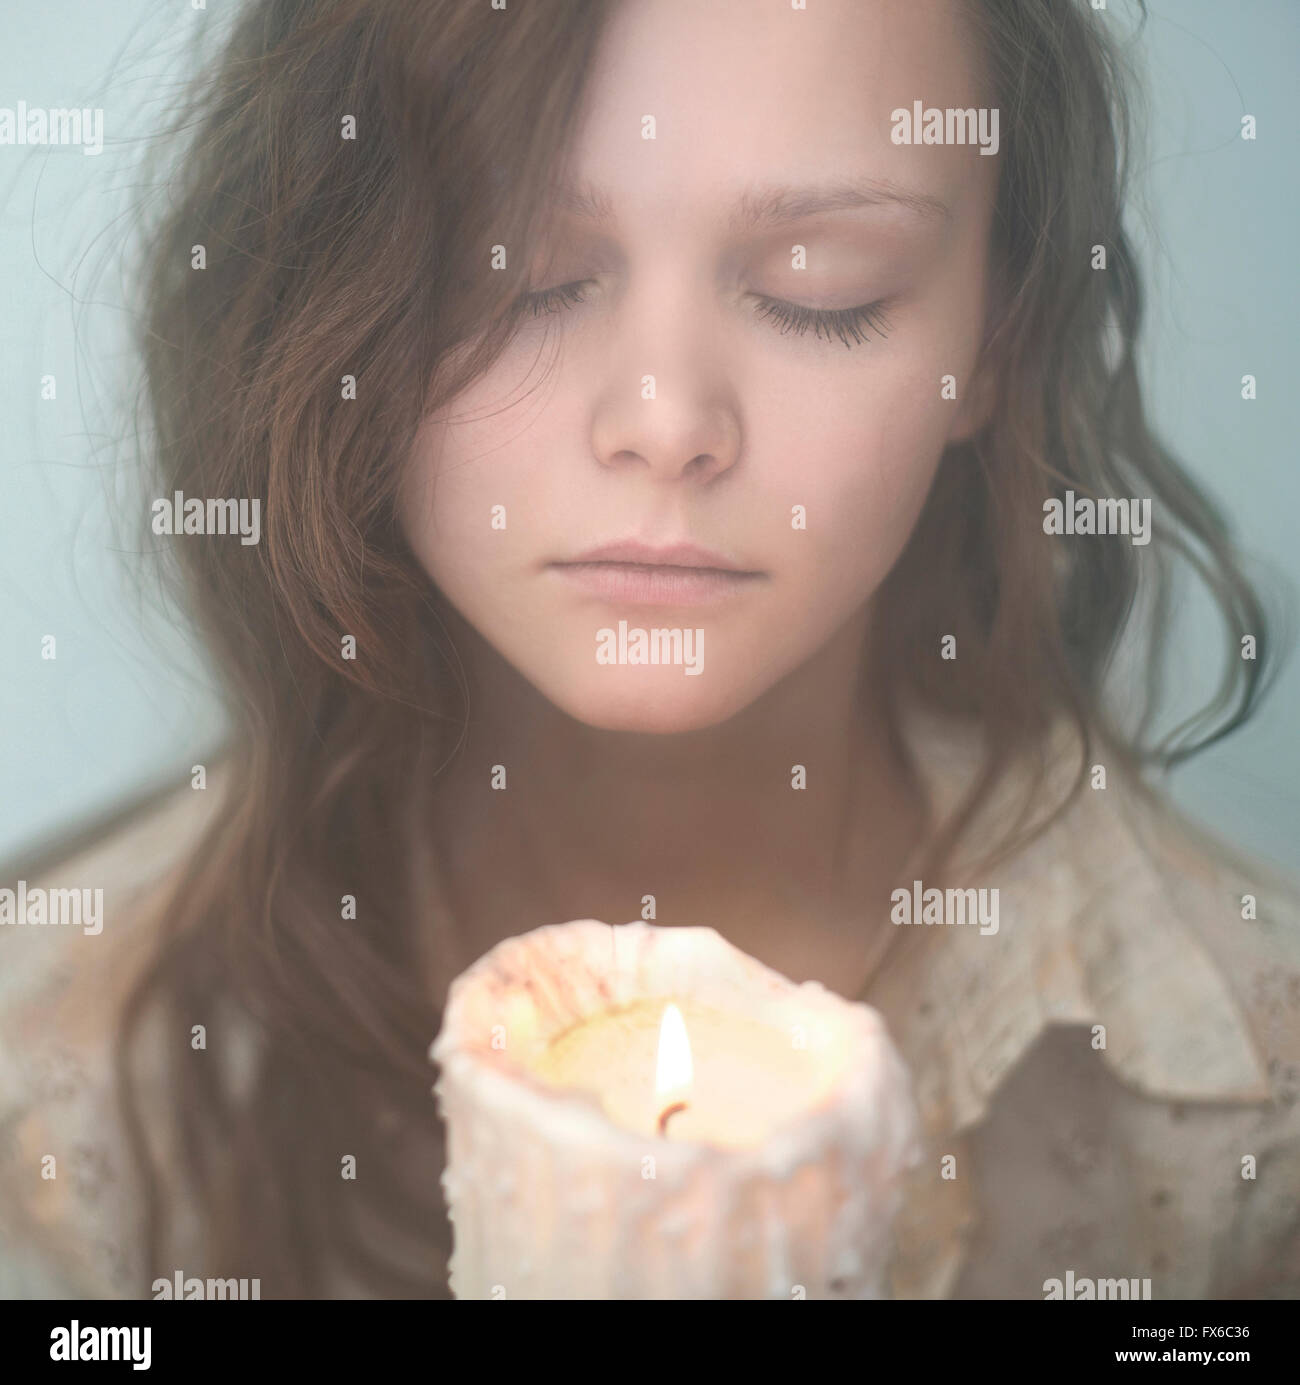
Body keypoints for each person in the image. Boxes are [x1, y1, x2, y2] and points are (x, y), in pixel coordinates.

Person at [1, 0, 1297, 1299]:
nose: (665, 419)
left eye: (820, 288)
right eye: (520, 275)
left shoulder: (1255, 1094)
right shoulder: (51, 1098)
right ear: (326, 307)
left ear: (995, 337)